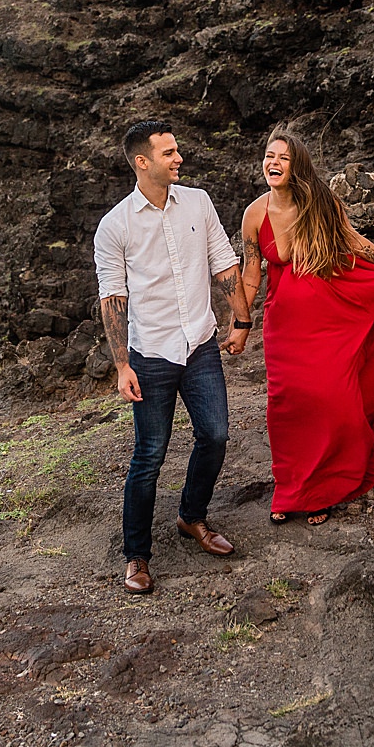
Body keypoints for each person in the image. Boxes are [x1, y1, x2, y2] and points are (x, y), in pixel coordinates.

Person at [235, 131, 374, 526]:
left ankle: (324, 490)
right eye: (269, 155)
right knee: (287, 404)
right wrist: (240, 324)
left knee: (331, 399)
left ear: (297, 167)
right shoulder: (254, 214)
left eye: (284, 158)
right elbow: (250, 271)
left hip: (329, 318)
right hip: (283, 325)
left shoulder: (320, 202)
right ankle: (291, 490)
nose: (273, 163)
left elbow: (355, 242)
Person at [95, 119, 253, 594]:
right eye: (168, 153)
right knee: (149, 456)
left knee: (217, 435)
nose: (178, 158)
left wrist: (240, 322)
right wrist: (122, 365)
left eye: (177, 150)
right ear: (142, 162)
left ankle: (192, 516)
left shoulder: (198, 202)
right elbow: (113, 298)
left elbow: (224, 263)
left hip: (200, 343)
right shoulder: (115, 225)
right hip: (152, 354)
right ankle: (137, 556)